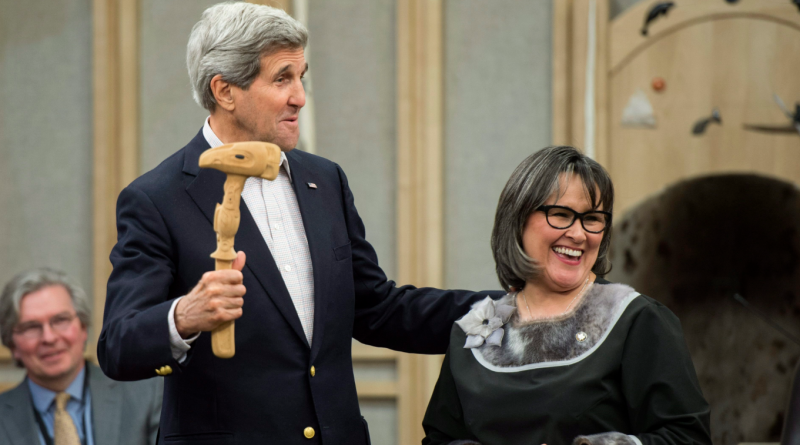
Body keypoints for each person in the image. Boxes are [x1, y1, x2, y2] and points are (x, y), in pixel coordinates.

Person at [97, 3, 501, 444]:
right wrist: (185, 315)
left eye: (301, 77)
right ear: (225, 91)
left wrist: (511, 311)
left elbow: (378, 310)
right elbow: (118, 346)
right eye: (282, 78)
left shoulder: (324, 179)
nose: (300, 97)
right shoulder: (156, 198)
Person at [422, 146, 711, 445]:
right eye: (560, 214)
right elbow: (439, 440)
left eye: (592, 218)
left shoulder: (638, 321)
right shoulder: (476, 330)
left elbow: (688, 439)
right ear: (517, 221)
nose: (579, 234)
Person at [0, 268, 161, 445]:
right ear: (12, 344)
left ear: (83, 327)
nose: (49, 338)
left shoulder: (147, 395)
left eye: (60, 320)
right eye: (31, 327)